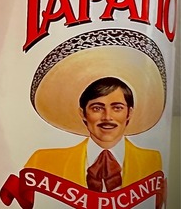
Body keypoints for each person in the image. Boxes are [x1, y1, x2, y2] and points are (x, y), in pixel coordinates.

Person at [25, 77, 162, 191]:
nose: (107, 117)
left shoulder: (152, 161)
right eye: (97, 108)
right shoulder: (43, 161)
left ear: (129, 113)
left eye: (117, 108)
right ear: (83, 113)